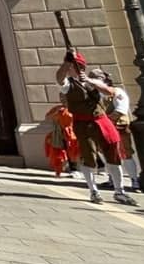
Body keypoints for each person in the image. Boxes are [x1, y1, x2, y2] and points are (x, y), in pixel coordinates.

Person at [56, 51, 137, 206]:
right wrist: (66, 62)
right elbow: (59, 78)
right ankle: (93, 191)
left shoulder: (93, 82)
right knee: (89, 157)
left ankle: (120, 191)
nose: (77, 68)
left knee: (113, 154)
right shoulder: (68, 84)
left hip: (101, 121)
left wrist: (91, 81)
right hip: (83, 124)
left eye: (79, 66)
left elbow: (109, 92)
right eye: (74, 66)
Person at [96, 69, 139, 192]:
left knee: (125, 153)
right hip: (103, 128)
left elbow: (120, 110)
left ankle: (134, 180)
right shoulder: (97, 95)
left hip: (118, 126)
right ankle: (112, 179)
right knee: (105, 153)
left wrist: (106, 121)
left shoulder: (117, 92)